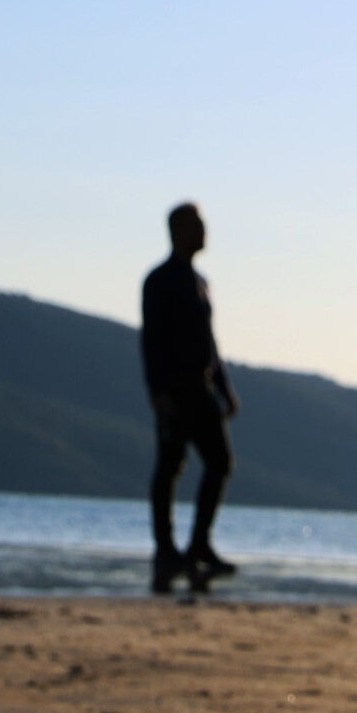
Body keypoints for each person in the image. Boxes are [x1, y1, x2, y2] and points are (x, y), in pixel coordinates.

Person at [141, 203, 238, 588]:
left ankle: (198, 545)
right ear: (178, 230)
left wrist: (224, 387)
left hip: (201, 388)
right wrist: (157, 390)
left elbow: (209, 342)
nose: (204, 232)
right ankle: (166, 553)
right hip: (174, 389)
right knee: (169, 466)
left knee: (220, 462)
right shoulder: (160, 280)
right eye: (198, 225)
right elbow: (151, 339)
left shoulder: (200, 281)